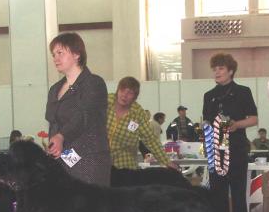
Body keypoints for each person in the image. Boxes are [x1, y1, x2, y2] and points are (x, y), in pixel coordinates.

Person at [202, 53, 258, 212]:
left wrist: (237, 124)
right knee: (217, 194)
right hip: (215, 150)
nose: (216, 72)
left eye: (221, 69)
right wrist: (205, 128)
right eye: (215, 69)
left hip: (236, 149)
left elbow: (253, 119)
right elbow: (207, 121)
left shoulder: (243, 92)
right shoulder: (208, 96)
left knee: (237, 192)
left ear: (231, 71)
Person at [45, 32, 110, 186]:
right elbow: (53, 122)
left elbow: (84, 116)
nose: (55, 58)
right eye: (53, 54)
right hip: (63, 161)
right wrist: (53, 145)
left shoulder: (94, 83)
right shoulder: (55, 89)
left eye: (60, 52)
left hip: (89, 160)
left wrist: (61, 136)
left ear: (76, 54)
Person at [106, 76, 177, 187]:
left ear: (135, 97)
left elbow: (150, 139)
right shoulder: (104, 102)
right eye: (122, 90)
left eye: (130, 93)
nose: (124, 95)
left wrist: (166, 161)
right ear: (117, 90)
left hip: (125, 164)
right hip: (101, 161)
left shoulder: (138, 113)